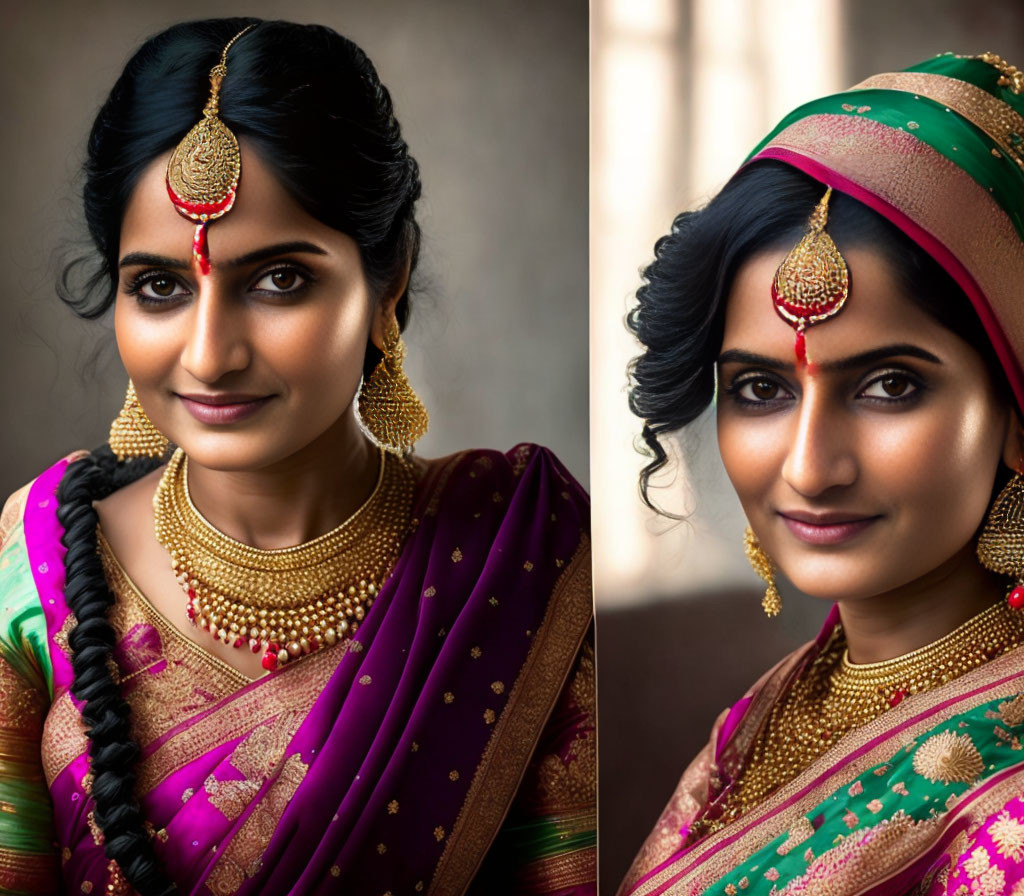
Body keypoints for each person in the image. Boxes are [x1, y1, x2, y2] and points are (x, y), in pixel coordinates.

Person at [0, 18, 593, 895]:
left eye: (279, 280)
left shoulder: (518, 559)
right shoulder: (38, 562)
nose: (209, 354)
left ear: (387, 279)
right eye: (160, 287)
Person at [620, 52, 1024, 894]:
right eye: (760, 389)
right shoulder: (765, 721)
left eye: (890, 386)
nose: (808, 466)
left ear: (1021, 414)